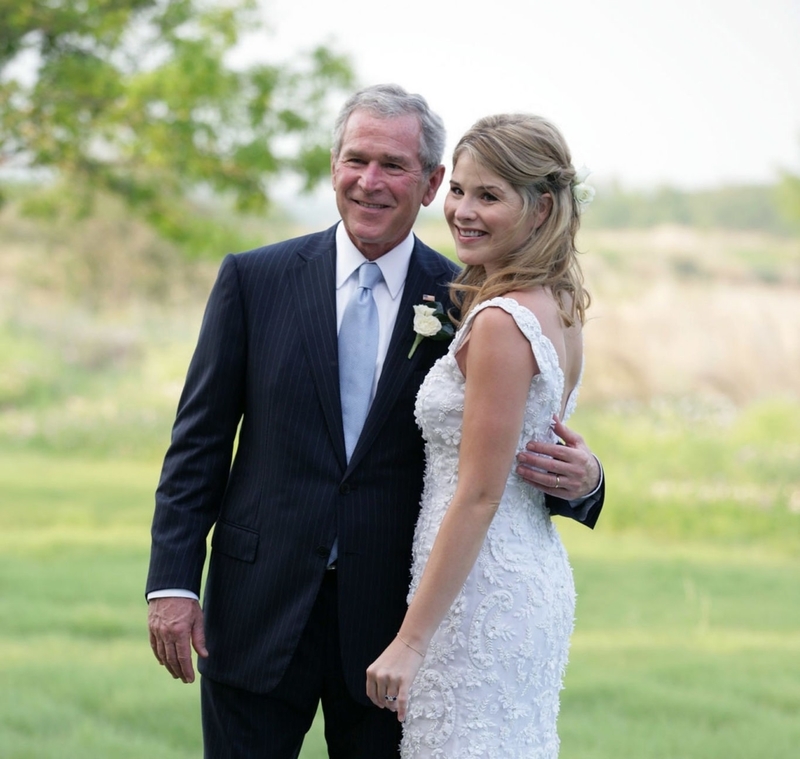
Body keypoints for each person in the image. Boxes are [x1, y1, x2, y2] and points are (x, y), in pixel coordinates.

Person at [146, 85, 603, 759]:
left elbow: (505, 454)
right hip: (256, 604)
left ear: (429, 183)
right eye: (356, 159)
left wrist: (586, 480)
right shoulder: (253, 279)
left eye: (392, 165)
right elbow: (199, 443)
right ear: (333, 164)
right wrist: (173, 581)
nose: (369, 181)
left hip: (394, 617)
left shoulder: (472, 298)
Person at [366, 113, 592, 758]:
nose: (462, 210)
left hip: (477, 589)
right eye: (459, 190)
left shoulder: (500, 320)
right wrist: (591, 472)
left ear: (541, 206)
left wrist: (410, 641)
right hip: (525, 570)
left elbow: (478, 494)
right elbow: (545, 440)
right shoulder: (561, 303)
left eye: (488, 195)